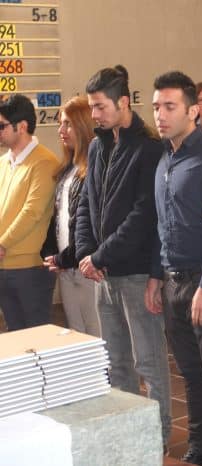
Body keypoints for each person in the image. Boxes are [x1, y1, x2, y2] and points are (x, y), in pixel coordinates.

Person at [75, 65, 171, 445]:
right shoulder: (98, 146)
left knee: (148, 361)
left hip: (132, 274)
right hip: (103, 274)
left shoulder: (149, 148)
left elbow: (145, 216)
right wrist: (86, 252)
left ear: (123, 102)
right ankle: (132, 436)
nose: (94, 115)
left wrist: (99, 256)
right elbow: (86, 205)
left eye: (100, 106)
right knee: (116, 362)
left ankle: (159, 436)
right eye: (91, 107)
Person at [148, 71, 202, 466]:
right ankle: (201, 451)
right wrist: (156, 276)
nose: (160, 115)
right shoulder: (165, 156)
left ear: (192, 110)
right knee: (192, 376)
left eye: (169, 107)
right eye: (155, 107)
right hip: (173, 282)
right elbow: (161, 222)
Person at [0, 94, 60, 331]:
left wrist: (2, 244)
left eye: (2, 126)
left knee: (38, 338)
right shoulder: (4, 162)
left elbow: (32, 212)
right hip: (4, 265)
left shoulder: (44, 162)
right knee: (16, 338)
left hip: (30, 268)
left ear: (22, 126)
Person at [43, 96, 100, 336]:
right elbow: (59, 219)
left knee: (98, 337)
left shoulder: (94, 167)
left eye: (67, 124)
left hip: (88, 269)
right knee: (76, 336)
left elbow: (89, 224)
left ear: (84, 126)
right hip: (67, 269)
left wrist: (64, 258)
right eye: (60, 124)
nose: (61, 130)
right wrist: (51, 255)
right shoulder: (67, 169)